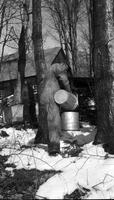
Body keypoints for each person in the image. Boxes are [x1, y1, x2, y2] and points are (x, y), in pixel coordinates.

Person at [34, 63, 71, 155]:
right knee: (54, 120)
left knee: (51, 119)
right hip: (52, 95)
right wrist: (69, 91)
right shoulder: (59, 67)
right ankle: (54, 146)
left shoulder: (48, 70)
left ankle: (54, 140)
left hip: (44, 96)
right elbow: (64, 79)